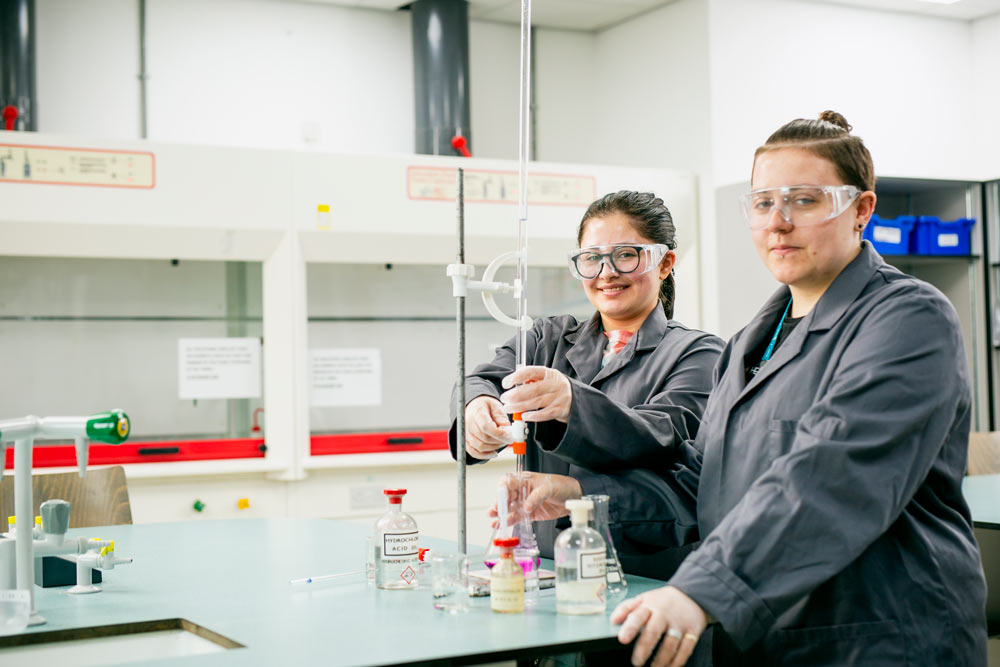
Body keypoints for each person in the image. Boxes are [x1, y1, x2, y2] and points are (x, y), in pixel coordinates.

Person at [612, 111, 988, 666]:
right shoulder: (748, 343)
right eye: (763, 203)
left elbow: (836, 473)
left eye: (804, 200)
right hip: (776, 639)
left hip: (879, 637)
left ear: (861, 210)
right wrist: (584, 504)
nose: (777, 223)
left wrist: (702, 589)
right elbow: (707, 481)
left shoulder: (909, 319)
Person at [449, 190, 723, 577]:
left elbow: (660, 434)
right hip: (544, 576)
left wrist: (572, 403)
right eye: (591, 259)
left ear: (665, 264)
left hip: (641, 581)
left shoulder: (699, 354)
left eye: (626, 255)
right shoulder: (548, 339)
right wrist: (476, 408)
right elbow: (482, 379)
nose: (606, 273)